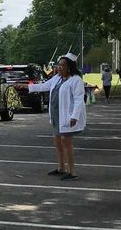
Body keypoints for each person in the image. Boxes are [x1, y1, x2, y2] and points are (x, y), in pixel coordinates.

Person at [28, 52, 87, 180]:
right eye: (58, 65)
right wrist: (27, 87)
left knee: (66, 142)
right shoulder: (57, 78)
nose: (59, 68)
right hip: (56, 115)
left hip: (67, 115)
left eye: (62, 65)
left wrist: (75, 116)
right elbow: (44, 86)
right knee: (58, 142)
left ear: (69, 67)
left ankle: (72, 171)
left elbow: (78, 100)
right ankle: (61, 167)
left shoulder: (76, 80)